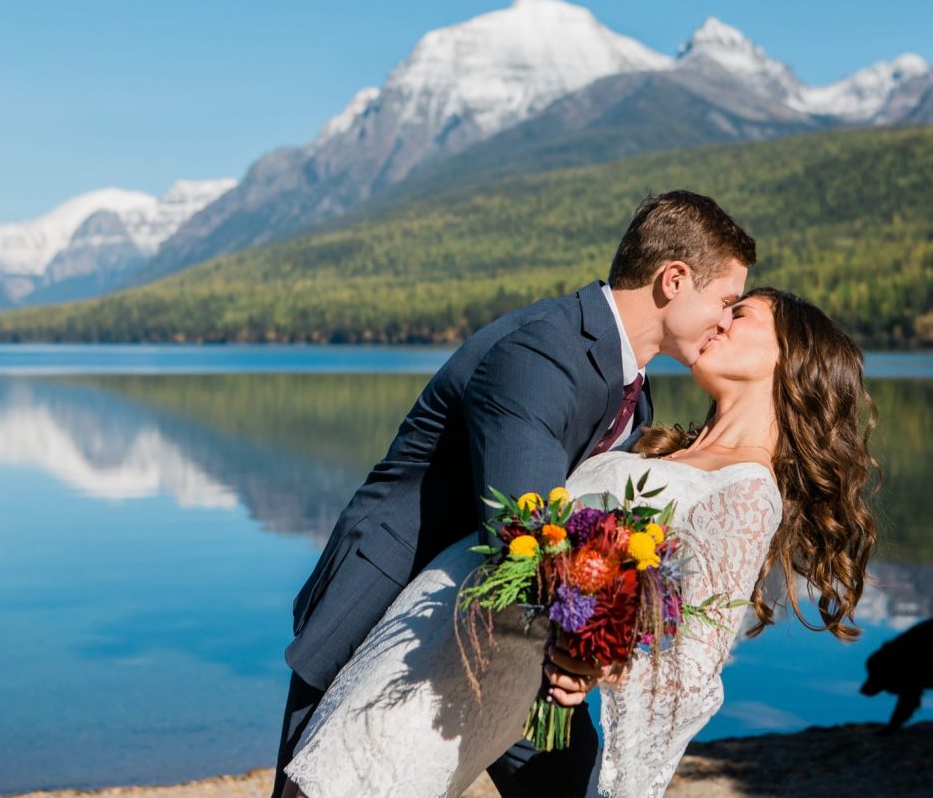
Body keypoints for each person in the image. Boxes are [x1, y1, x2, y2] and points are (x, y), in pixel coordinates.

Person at [281, 286, 880, 797]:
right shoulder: (666, 444)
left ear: (787, 358)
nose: (720, 319)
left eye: (740, 313)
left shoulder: (748, 492)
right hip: (428, 627)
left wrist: (599, 659)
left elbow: (689, 665)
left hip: (477, 670)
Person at [272, 191, 757, 798]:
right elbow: (526, 527)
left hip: (504, 626)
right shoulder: (542, 352)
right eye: (725, 301)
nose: (725, 321)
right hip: (389, 604)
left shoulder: (633, 390)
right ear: (674, 280)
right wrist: (588, 642)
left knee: (566, 772)